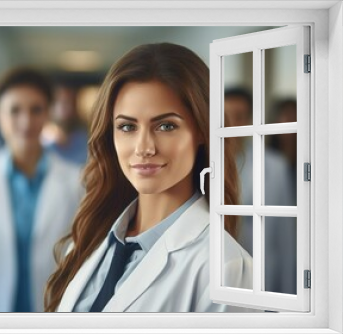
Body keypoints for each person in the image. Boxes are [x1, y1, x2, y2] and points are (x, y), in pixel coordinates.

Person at [45, 43, 253, 313]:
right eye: (127, 127)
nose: (144, 148)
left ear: (203, 130)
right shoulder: (87, 241)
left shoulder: (226, 269)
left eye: (166, 126)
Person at [0, 68, 83, 312]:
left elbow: (81, 262)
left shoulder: (76, 182)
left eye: (36, 110)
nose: (26, 121)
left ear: (48, 114)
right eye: (15, 110)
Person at [224, 88, 296, 295]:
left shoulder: (275, 166)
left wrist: (289, 294)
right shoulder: (204, 166)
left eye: (240, 117)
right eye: (227, 116)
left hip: (265, 276)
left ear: (249, 120)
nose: (233, 124)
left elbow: (285, 237)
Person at [42, 83, 88, 166]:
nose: (65, 108)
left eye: (68, 102)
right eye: (60, 102)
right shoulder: (43, 140)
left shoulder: (83, 138)